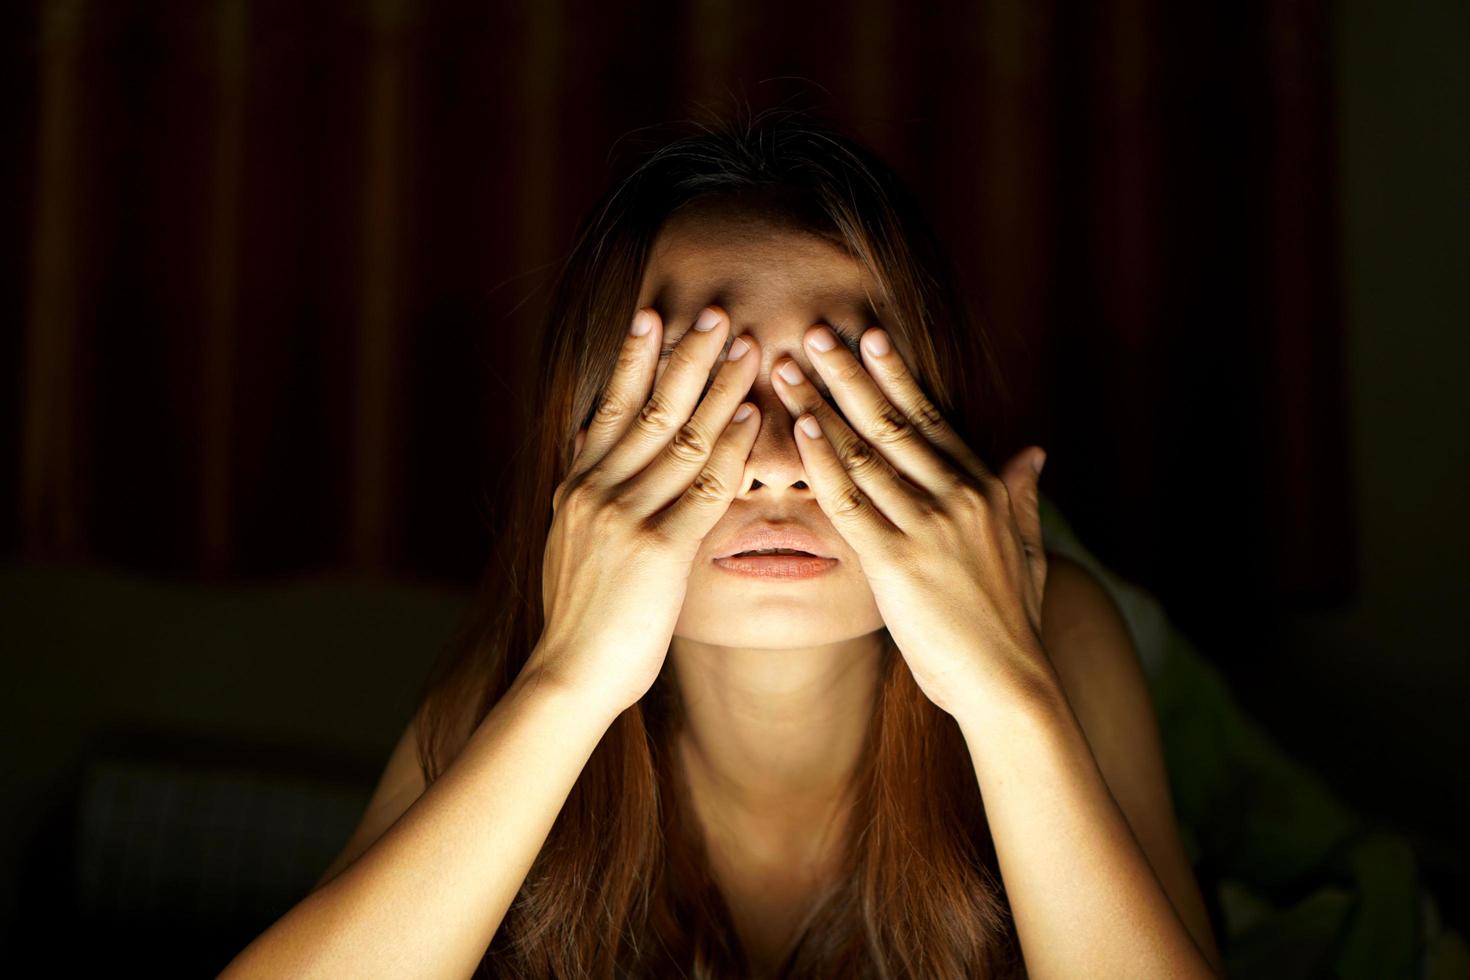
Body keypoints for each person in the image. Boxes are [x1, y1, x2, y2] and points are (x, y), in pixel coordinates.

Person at [220, 106, 1225, 979]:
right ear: (598, 450)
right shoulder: (528, 666)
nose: (775, 462)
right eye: (703, 396)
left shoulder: (1060, 635)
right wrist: (568, 683)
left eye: (838, 391)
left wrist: (1006, 695)